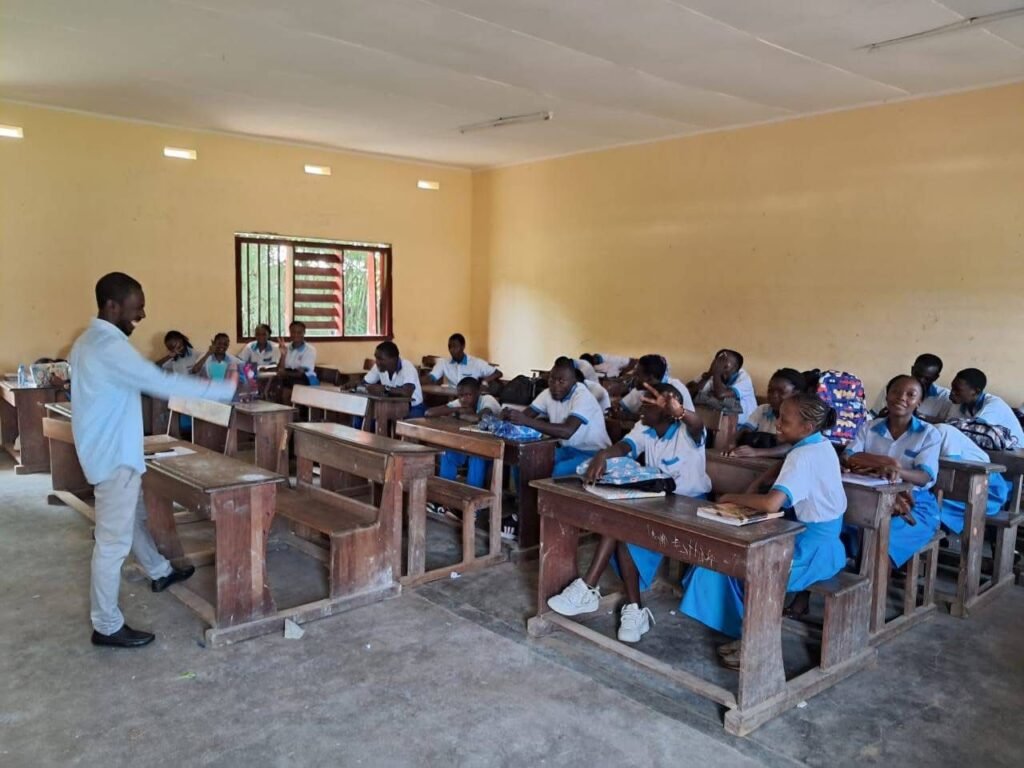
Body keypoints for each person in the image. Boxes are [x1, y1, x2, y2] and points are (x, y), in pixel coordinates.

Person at [70, 272, 237, 648]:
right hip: (114, 458)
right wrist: (222, 391)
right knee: (111, 543)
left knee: (128, 521)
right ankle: (106, 625)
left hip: (106, 452)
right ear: (112, 306)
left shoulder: (87, 342)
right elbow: (160, 381)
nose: (142, 315)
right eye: (137, 308)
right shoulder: (108, 346)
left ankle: (159, 570)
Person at [680, 393, 847, 668]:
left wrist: (731, 497)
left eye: (785, 420)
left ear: (807, 427)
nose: (777, 424)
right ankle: (747, 632)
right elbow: (785, 464)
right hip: (826, 545)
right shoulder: (820, 444)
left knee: (737, 566)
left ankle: (754, 641)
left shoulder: (803, 456)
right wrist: (759, 480)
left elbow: (771, 504)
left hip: (809, 553)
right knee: (731, 560)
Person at [546, 382, 710, 643]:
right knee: (620, 523)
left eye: (648, 405)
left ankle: (592, 590)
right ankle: (629, 606)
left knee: (623, 528)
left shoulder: (687, 433)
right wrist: (603, 455)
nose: (640, 409)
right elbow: (624, 447)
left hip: (691, 505)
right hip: (660, 500)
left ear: (668, 412)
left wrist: (680, 412)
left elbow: (697, 425)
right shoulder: (645, 427)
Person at [844, 375, 942, 567]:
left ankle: (874, 584)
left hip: (913, 503)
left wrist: (898, 471)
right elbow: (848, 456)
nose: (901, 398)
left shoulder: (929, 433)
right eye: (896, 392)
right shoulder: (869, 427)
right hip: (868, 498)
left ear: (919, 402)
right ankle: (856, 576)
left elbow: (924, 477)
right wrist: (881, 463)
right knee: (835, 526)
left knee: (882, 540)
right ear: (887, 396)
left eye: (911, 395)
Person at [501, 358, 611, 477]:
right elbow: (526, 415)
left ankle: (537, 490)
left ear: (574, 381)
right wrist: (509, 416)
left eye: (561, 381)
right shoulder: (548, 393)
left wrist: (526, 420)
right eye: (551, 380)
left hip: (593, 453)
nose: (555, 386)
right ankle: (524, 490)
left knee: (559, 470)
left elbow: (567, 431)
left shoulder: (583, 396)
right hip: (567, 449)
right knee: (524, 460)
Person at [933, 423, 1012, 535]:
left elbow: (950, 470)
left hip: (987, 484)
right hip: (961, 483)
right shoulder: (920, 436)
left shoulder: (942, 431)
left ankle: (939, 526)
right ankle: (938, 526)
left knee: (933, 499)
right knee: (932, 497)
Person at [426, 377, 501, 489]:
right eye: (460, 396)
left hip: (493, 448)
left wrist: (460, 414)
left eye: (468, 395)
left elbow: (480, 418)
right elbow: (429, 412)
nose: (463, 399)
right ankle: (445, 491)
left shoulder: (487, 399)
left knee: (477, 456)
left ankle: (473, 494)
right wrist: (457, 410)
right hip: (471, 444)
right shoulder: (461, 403)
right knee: (448, 453)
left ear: (478, 392)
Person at [728, 368, 805, 458]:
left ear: (796, 394)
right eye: (770, 390)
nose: (774, 396)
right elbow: (745, 430)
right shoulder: (763, 409)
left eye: (781, 392)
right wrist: (732, 443)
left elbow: (792, 447)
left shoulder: (799, 417)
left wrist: (756, 452)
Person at [947, 368, 1024, 447]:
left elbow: (974, 431)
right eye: (952, 388)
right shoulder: (960, 402)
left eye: (957, 390)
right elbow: (950, 427)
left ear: (975, 391)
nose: (952, 392)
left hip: (1016, 451)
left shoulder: (994, 405)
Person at [870, 353, 951, 422]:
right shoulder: (894, 387)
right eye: (917, 375)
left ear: (935, 378)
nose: (920, 381)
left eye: (927, 379)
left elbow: (943, 426)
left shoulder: (944, 397)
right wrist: (881, 417)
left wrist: (918, 416)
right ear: (912, 370)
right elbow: (873, 416)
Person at [356, 341, 425, 417]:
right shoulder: (379, 367)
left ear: (394, 359)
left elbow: (407, 393)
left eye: (380, 359)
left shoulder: (407, 367)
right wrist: (360, 386)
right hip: (390, 405)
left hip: (413, 407)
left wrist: (384, 389)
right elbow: (364, 383)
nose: (377, 362)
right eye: (376, 358)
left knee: (385, 416)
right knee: (362, 413)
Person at [688, 348, 758, 423]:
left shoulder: (743, 378)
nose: (719, 364)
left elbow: (721, 394)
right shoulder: (713, 375)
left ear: (735, 367)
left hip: (745, 424)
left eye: (724, 361)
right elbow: (691, 395)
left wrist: (717, 372)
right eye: (718, 361)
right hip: (718, 421)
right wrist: (708, 374)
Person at [617, 354, 694, 416]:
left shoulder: (674, 390)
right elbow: (621, 406)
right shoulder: (642, 388)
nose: (633, 377)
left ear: (650, 378)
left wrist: (627, 417)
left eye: (637, 374)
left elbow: (656, 422)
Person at [428, 333, 502, 388]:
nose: (451, 350)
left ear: (463, 346)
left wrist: (485, 381)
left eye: (455, 346)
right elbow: (432, 377)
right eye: (449, 347)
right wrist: (421, 380)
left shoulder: (476, 363)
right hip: (451, 398)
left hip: (469, 400)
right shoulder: (443, 362)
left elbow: (498, 373)